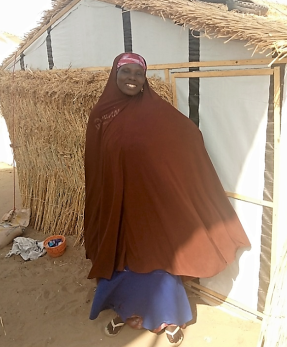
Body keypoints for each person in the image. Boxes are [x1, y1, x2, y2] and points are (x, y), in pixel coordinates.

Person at [84, 52, 251, 346]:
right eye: (126, 73)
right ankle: (127, 312)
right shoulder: (101, 114)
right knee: (124, 260)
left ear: (144, 79)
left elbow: (188, 135)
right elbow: (95, 163)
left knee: (159, 258)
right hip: (118, 204)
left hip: (153, 202)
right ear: (115, 75)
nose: (132, 79)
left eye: (138, 74)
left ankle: (169, 317)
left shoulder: (156, 111)